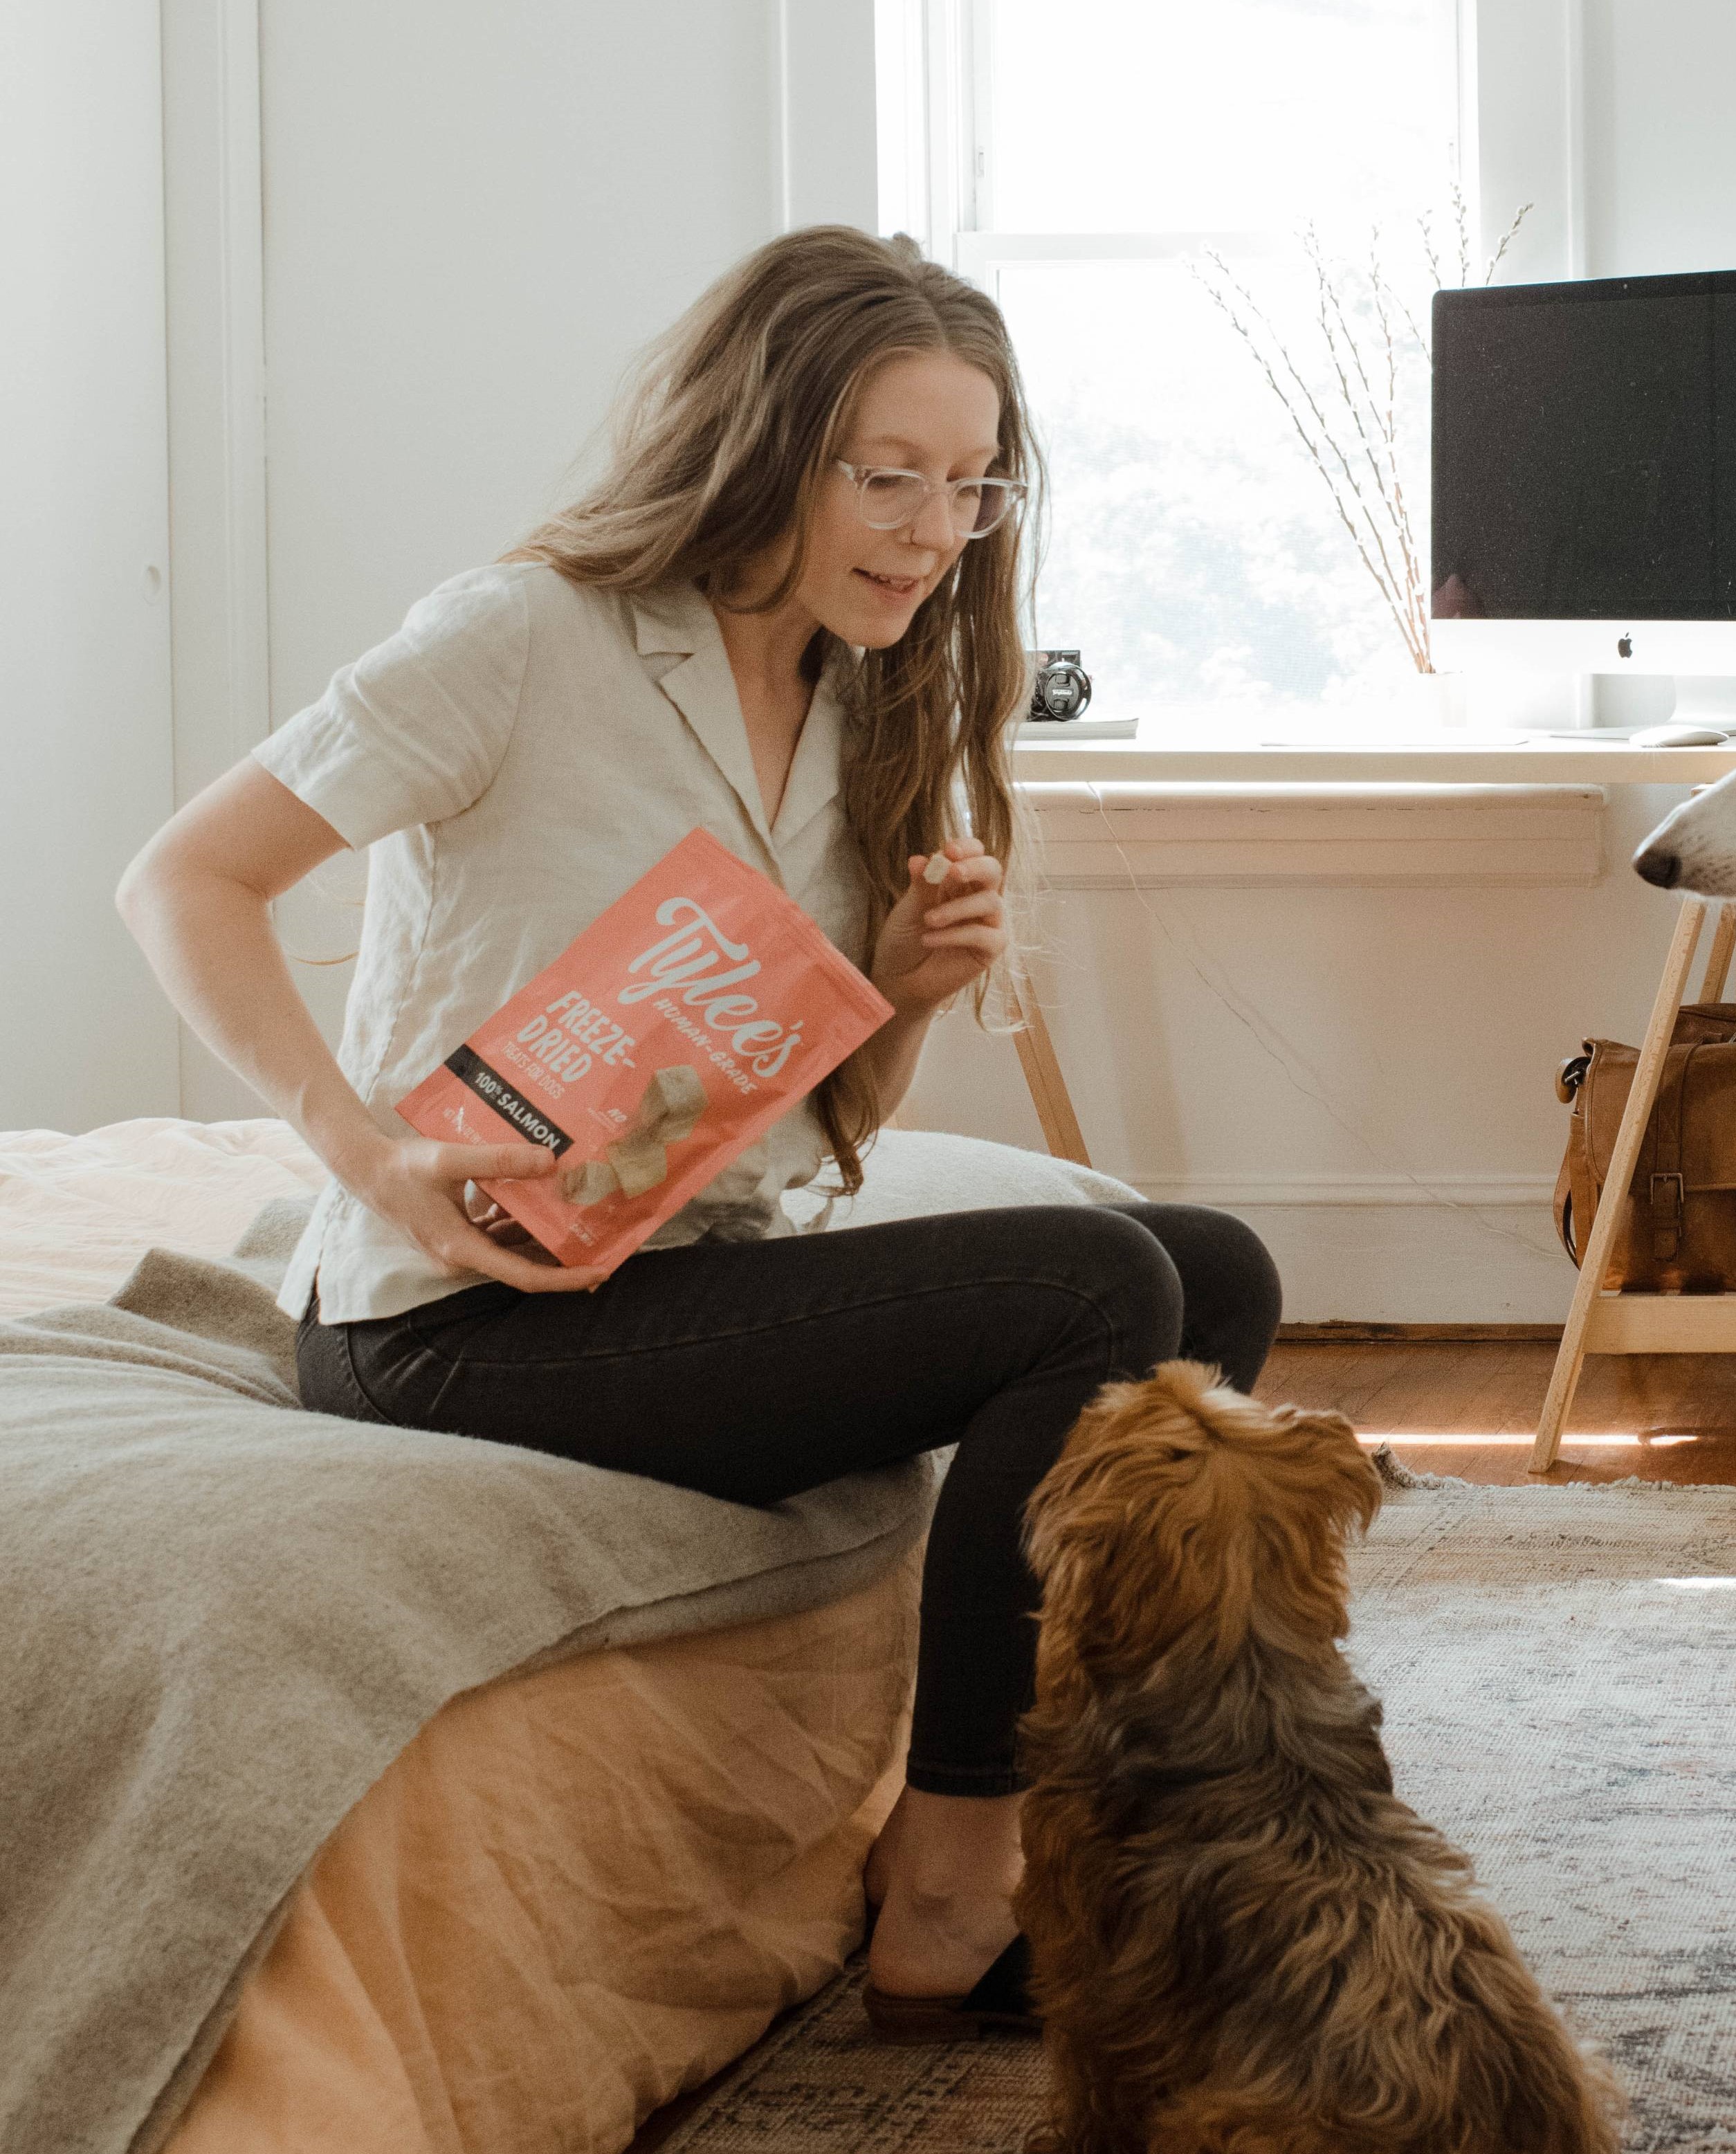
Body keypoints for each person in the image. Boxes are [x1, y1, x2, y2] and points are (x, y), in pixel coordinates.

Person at [116, 226, 1281, 2038]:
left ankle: (1111, 1815)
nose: (929, 529)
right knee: (1090, 1282)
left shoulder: (867, 702)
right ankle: (951, 1883)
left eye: (969, 489)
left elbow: (809, 1131)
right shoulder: (524, 640)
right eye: (888, 475)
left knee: (1209, 1270)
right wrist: (363, 1153)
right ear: (760, 444)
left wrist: (890, 986)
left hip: (679, 1274)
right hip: (454, 1326)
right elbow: (183, 879)